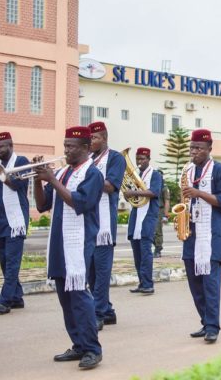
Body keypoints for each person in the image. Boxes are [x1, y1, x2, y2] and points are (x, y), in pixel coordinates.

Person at [34, 126, 104, 369]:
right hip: (59, 242)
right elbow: (43, 205)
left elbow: (80, 203)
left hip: (79, 242)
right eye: (65, 146)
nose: (66, 150)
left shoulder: (92, 174)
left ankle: (93, 349)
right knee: (65, 297)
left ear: (85, 148)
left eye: (71, 147)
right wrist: (36, 179)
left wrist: (51, 178)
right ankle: (79, 345)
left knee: (79, 296)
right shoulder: (63, 172)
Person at [182, 129, 221, 343]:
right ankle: (204, 321)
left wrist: (198, 193)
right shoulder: (188, 170)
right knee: (194, 282)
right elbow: (184, 198)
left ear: (209, 149)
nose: (194, 152)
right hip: (191, 232)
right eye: (192, 148)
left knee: (210, 282)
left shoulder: (220, 170)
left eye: (198, 148)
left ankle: (213, 327)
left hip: (211, 232)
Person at [0, 132, 30, 314]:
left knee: (12, 263)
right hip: (0, 222)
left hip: (16, 221)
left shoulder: (21, 161)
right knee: (4, 261)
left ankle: (5, 301)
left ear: (10, 145)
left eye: (1, 147)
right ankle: (17, 297)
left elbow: (15, 184)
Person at [87, 121, 126, 330]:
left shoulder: (115, 158)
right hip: (88, 222)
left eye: (94, 138)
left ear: (104, 137)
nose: (91, 142)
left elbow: (110, 186)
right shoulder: (89, 160)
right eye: (89, 138)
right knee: (91, 272)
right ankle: (108, 311)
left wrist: (87, 175)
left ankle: (99, 313)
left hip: (103, 225)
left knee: (101, 271)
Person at [126, 147, 162, 294]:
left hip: (148, 216)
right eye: (138, 159)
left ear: (148, 159)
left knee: (145, 250)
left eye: (142, 159)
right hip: (136, 215)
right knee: (137, 251)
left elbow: (154, 192)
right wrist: (128, 193)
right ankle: (142, 282)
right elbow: (133, 196)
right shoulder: (137, 175)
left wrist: (133, 192)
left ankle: (148, 284)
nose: (139, 162)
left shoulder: (155, 174)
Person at [153, 170, 170, 258]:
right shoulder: (153, 184)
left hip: (159, 210)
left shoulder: (164, 187)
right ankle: (156, 245)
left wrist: (165, 215)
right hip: (152, 209)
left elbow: (167, 201)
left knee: (157, 231)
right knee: (150, 231)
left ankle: (158, 249)